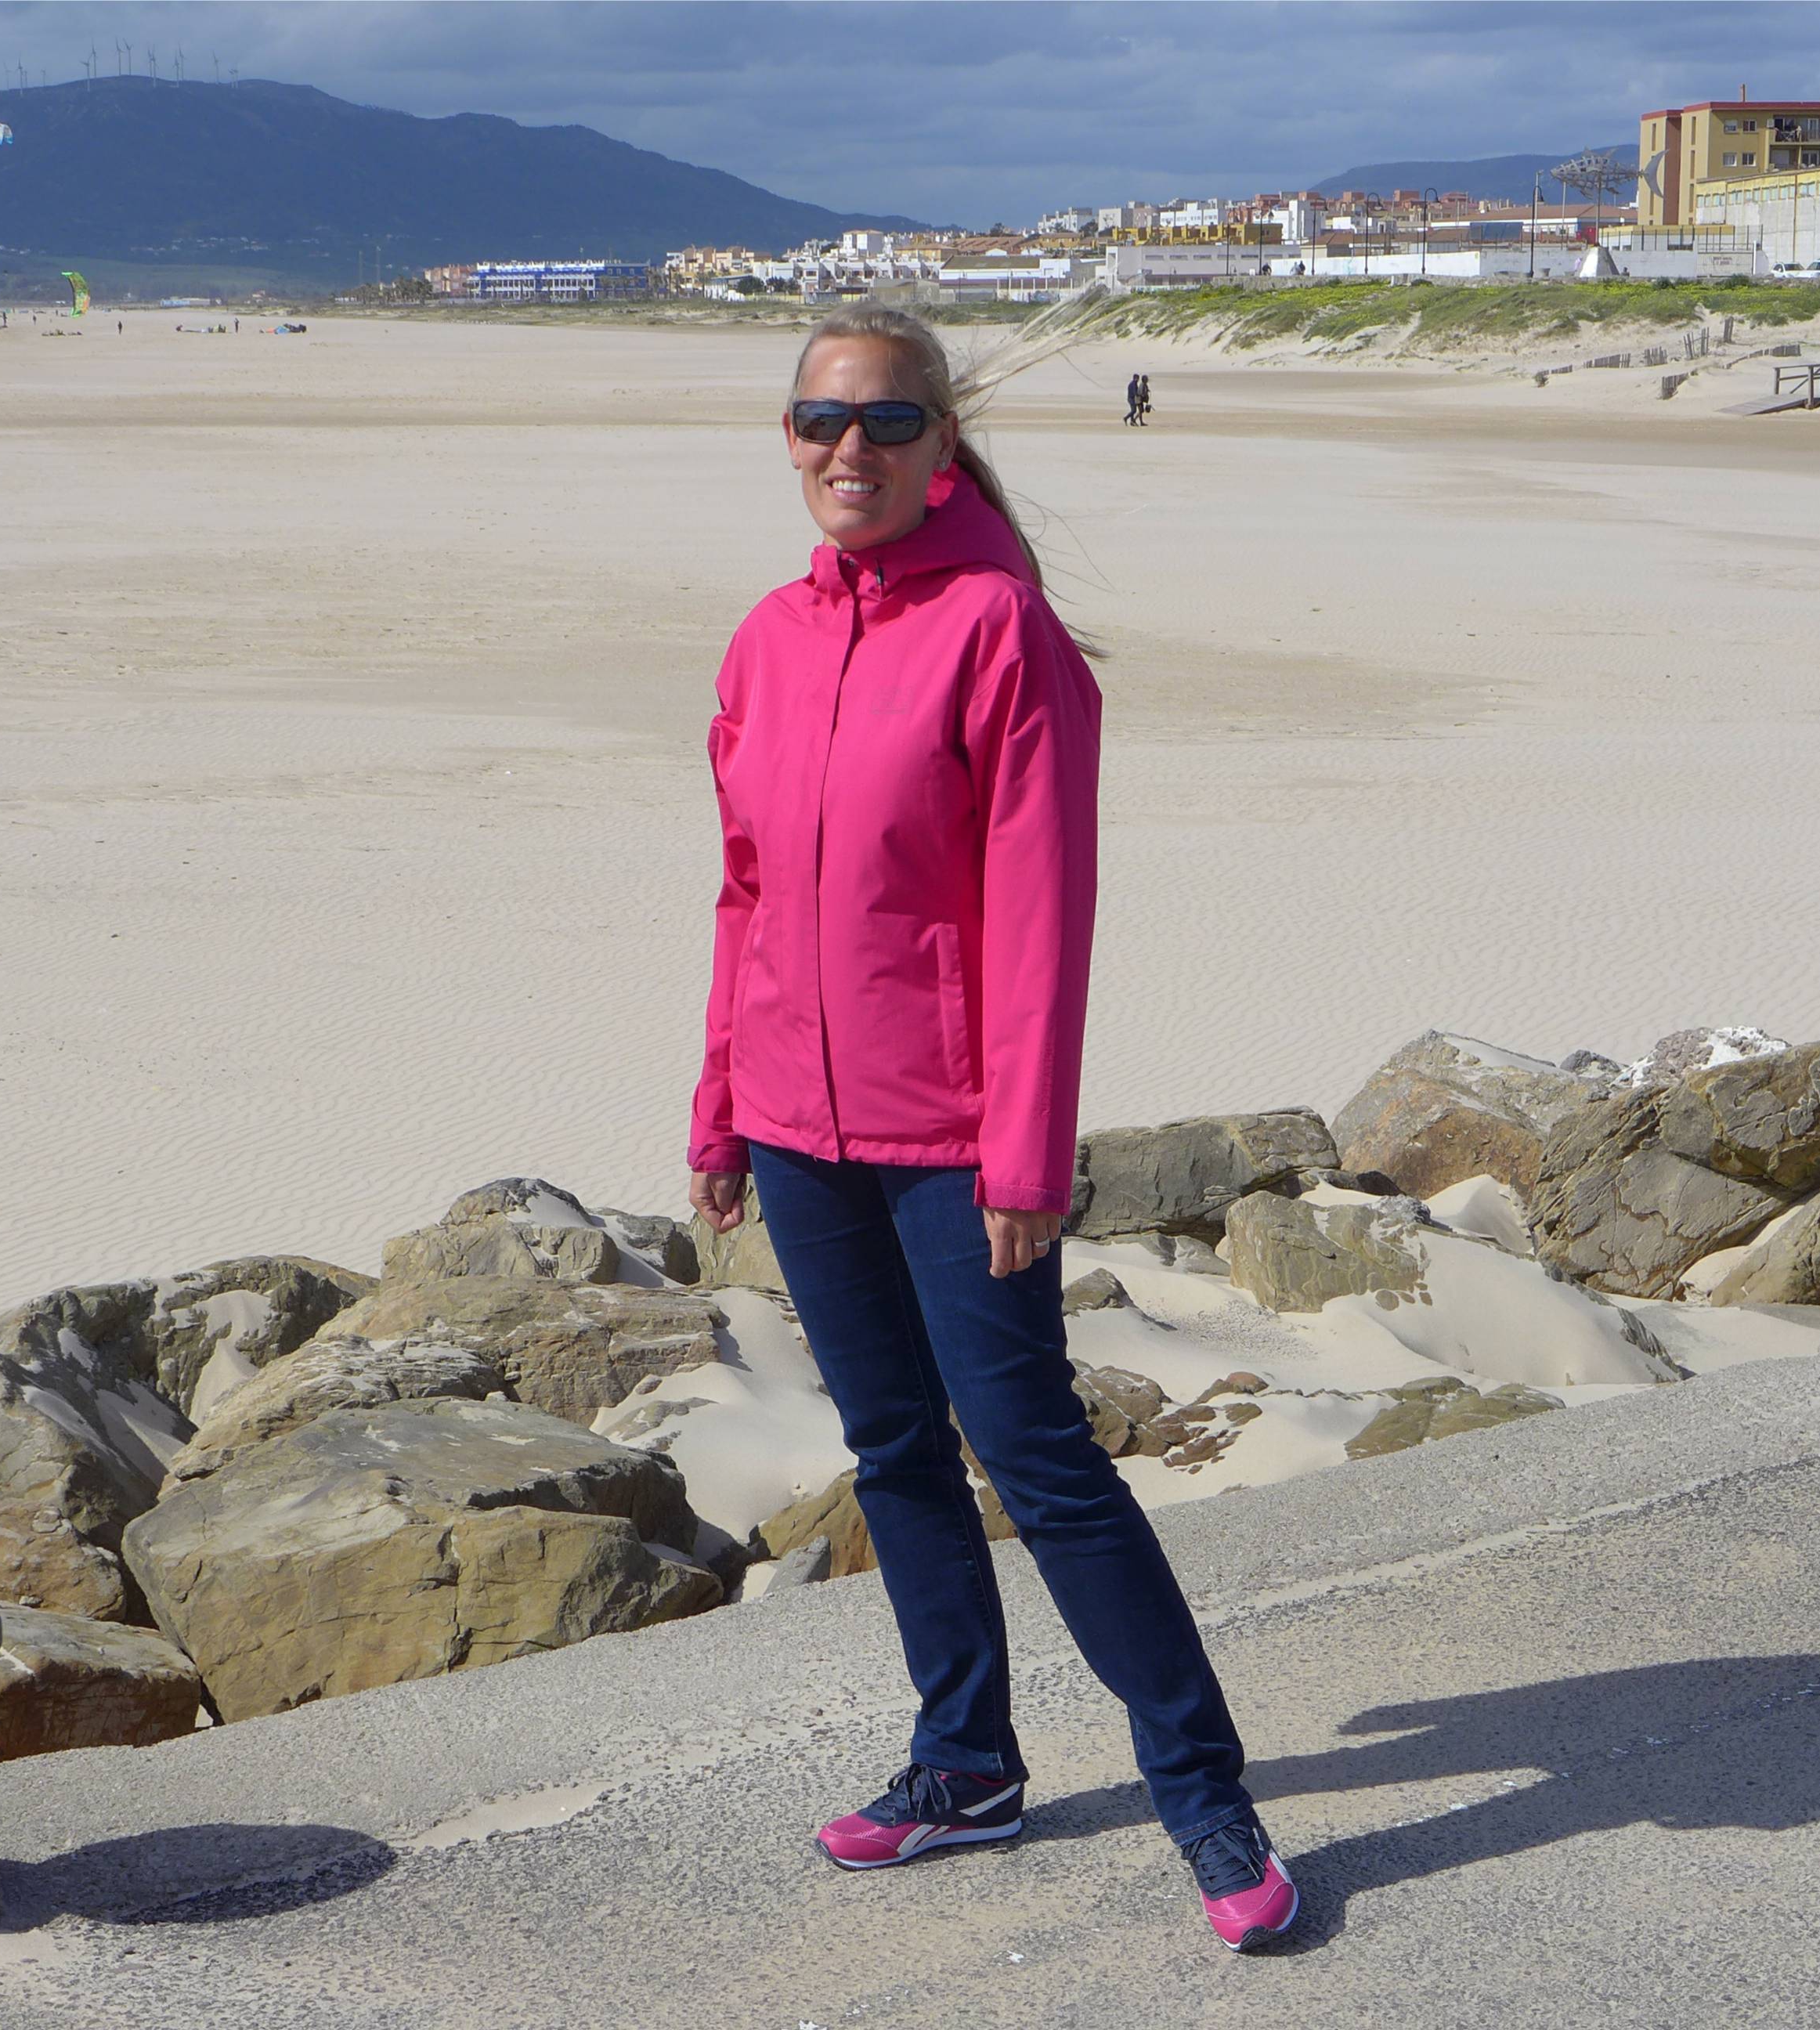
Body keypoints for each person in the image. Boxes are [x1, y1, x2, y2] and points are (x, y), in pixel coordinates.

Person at [685, 303, 1296, 1952]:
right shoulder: (764, 641)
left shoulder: (997, 631)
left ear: (941, 442)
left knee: (1034, 1457)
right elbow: (746, 897)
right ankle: (965, 1765)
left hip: (952, 1140)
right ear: (786, 436)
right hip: (797, 1127)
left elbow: (1040, 917)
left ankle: (1201, 1793)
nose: (849, 449)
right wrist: (720, 1103)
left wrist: (1021, 1152)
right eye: (819, 419)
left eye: (885, 421)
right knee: (893, 1452)